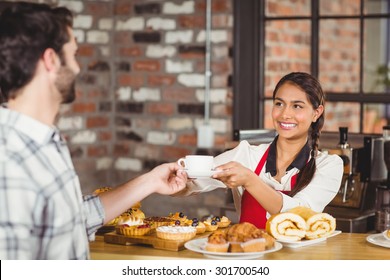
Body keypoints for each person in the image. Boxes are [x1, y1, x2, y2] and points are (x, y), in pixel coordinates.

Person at [0, 2, 187, 259]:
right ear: (51, 60)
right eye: (73, 54)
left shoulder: (44, 141)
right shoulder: (9, 162)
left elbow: (74, 219)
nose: (77, 67)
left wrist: (150, 181)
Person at [186, 72, 343, 229]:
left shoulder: (328, 165)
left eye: (297, 106)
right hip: (247, 252)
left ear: (316, 113)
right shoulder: (246, 155)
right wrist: (172, 179)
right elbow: (195, 180)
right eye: (279, 104)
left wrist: (250, 181)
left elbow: (298, 215)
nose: (285, 114)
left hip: (299, 255)